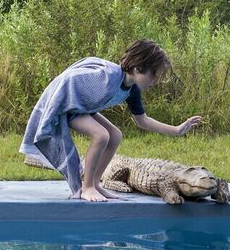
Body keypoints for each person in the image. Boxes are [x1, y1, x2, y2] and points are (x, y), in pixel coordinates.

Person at [21, 39, 203, 202]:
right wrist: (56, 105)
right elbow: (69, 79)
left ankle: (95, 183)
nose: (155, 81)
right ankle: (87, 187)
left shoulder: (132, 90)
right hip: (66, 106)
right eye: (153, 74)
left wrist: (177, 130)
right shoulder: (108, 76)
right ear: (138, 68)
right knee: (101, 135)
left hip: (83, 108)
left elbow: (143, 121)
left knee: (115, 135)